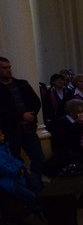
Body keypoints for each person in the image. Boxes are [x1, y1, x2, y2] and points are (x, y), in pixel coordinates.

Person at [0, 56, 45, 190]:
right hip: (11, 131)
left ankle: (35, 183)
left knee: (38, 158)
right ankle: (27, 186)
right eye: (4, 68)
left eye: (9, 67)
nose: (8, 70)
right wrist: (21, 116)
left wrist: (30, 115)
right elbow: (2, 110)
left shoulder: (22, 84)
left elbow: (36, 102)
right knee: (16, 161)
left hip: (28, 129)